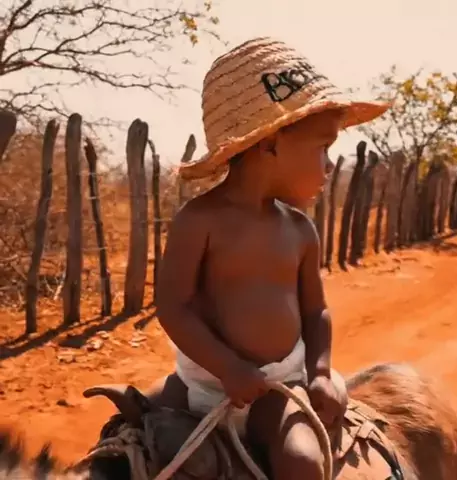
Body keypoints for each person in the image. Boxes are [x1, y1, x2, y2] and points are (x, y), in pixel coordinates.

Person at [154, 37, 390, 479]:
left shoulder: (299, 230)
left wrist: (320, 372)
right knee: (137, 447)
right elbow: (173, 306)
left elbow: (316, 311)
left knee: (301, 461)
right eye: (322, 147)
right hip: (201, 386)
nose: (330, 165)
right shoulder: (198, 220)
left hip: (278, 388)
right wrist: (228, 368)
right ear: (270, 143)